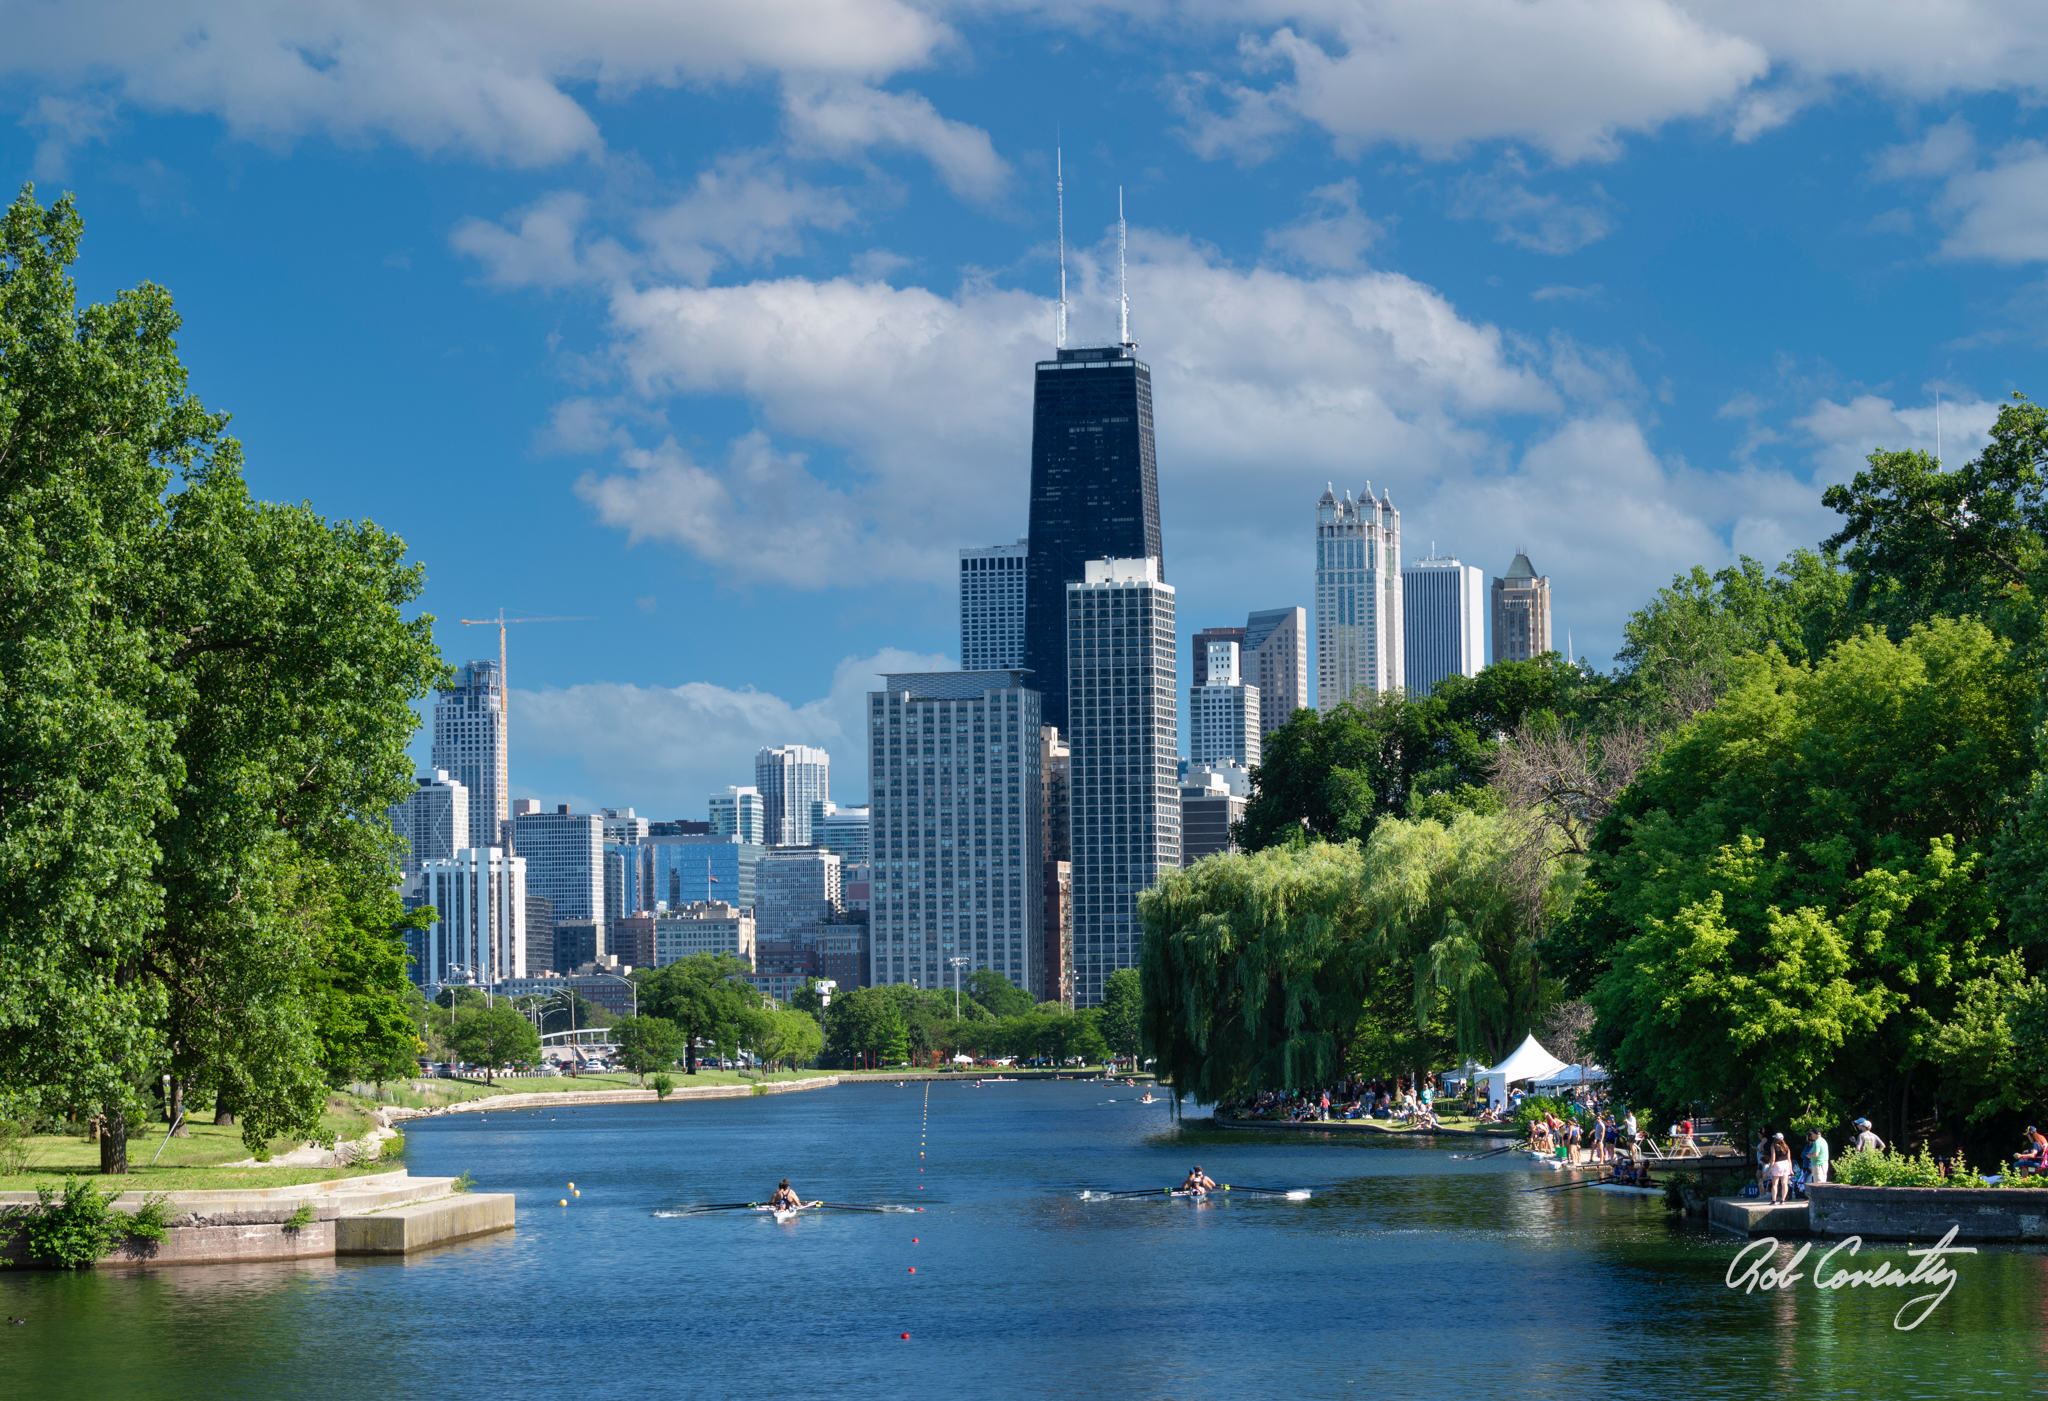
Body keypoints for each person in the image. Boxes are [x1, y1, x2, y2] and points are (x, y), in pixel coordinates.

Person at [1768, 1133, 1793, 1204]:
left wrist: (1769, 1169)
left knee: (1775, 1184)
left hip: (1777, 1164)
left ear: (1775, 1139)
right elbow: (1789, 1159)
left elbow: (1773, 1159)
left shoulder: (1773, 1147)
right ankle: (1783, 1200)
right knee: (1784, 1183)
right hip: (1786, 1164)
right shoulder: (1786, 1147)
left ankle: (1774, 1200)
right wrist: (1791, 1170)